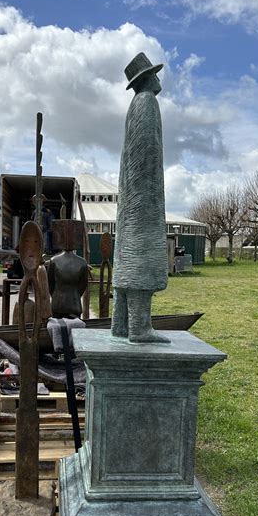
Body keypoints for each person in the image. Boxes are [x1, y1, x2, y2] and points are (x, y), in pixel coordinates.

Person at [111, 52, 169, 342]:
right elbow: (147, 151)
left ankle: (121, 324)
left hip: (135, 197)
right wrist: (151, 197)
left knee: (130, 253)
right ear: (146, 78)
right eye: (155, 74)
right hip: (143, 198)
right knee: (141, 257)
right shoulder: (147, 102)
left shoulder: (136, 105)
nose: (159, 79)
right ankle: (140, 328)